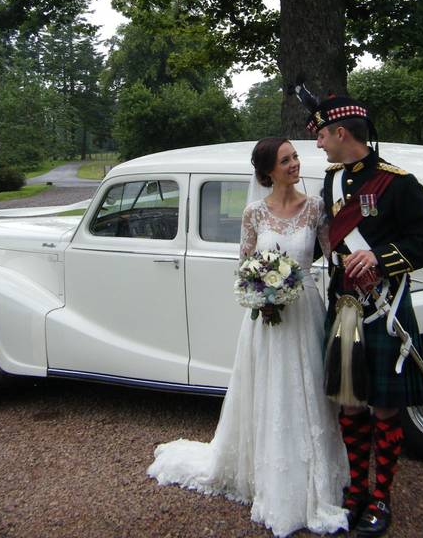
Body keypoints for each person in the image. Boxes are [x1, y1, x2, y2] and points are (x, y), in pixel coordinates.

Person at [148, 138, 349, 537]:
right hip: (268, 316)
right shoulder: (254, 213)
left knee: (307, 386)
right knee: (272, 389)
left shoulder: (315, 209)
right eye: (285, 160)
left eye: (294, 157)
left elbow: (334, 255)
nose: (294, 164)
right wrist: (264, 293)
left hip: (306, 307)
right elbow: (245, 266)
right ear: (267, 172)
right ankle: (270, 474)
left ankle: (316, 473)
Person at [301, 88, 423, 537]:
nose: (319, 144)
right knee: (350, 400)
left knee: (383, 407)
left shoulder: (399, 183)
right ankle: (355, 491)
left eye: (322, 135)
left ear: (341, 132)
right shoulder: (332, 179)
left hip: (386, 309)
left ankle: (381, 497)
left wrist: (381, 258)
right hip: (344, 304)